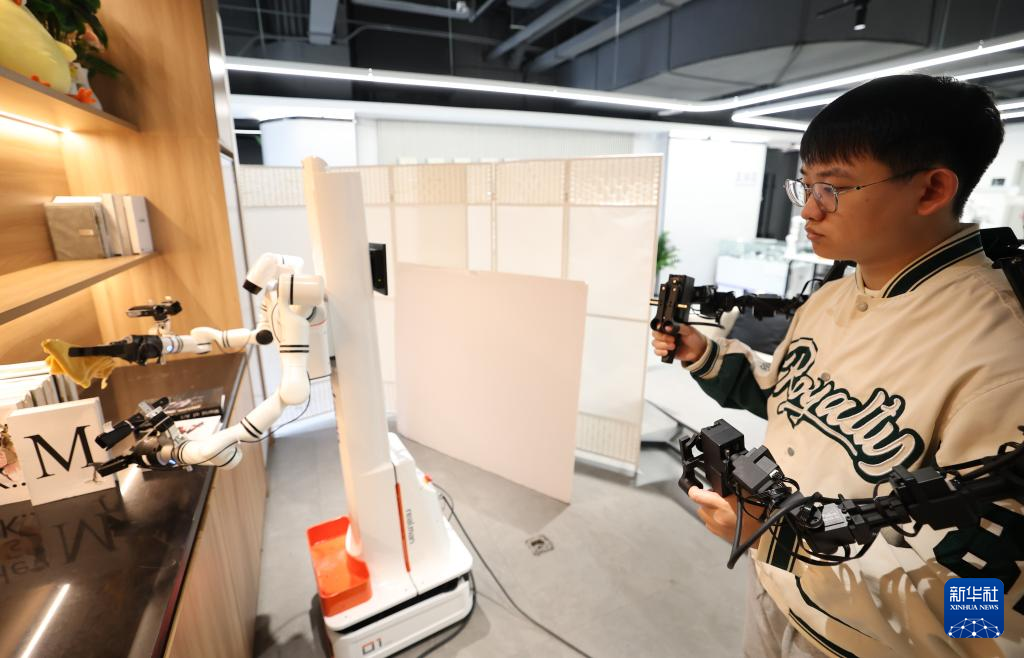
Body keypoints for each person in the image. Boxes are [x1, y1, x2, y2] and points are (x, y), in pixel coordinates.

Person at [652, 74, 1024, 657]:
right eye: (805, 187)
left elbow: (990, 610)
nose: (809, 210)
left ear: (931, 189)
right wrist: (704, 354)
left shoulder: (1002, 348)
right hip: (775, 588)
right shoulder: (832, 295)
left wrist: (776, 542)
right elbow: (790, 402)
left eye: (833, 188)